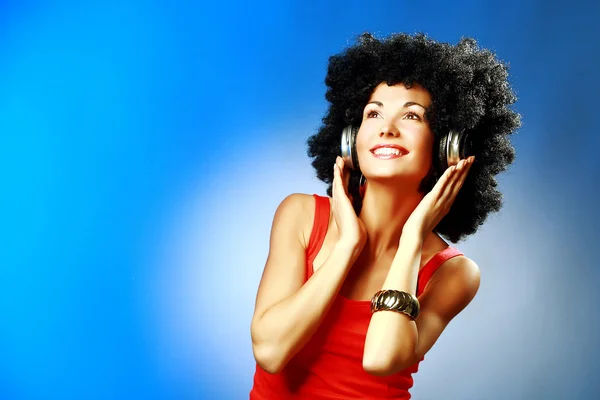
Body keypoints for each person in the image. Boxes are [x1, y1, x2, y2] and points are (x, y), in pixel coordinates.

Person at [248, 32, 520, 399]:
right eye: (373, 112)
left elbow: (380, 358)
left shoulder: (453, 273)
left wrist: (412, 237)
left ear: (446, 147)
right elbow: (270, 352)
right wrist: (348, 246)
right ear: (350, 138)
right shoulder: (299, 216)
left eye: (412, 115)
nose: (386, 128)